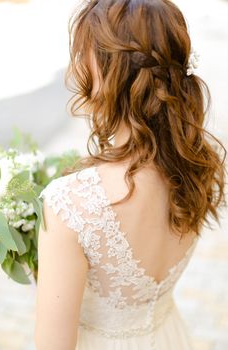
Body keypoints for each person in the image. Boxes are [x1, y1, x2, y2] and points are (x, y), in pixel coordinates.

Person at [34, 0, 227, 349]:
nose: (76, 66)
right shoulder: (193, 165)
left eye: (83, 54)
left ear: (112, 72)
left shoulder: (69, 204)